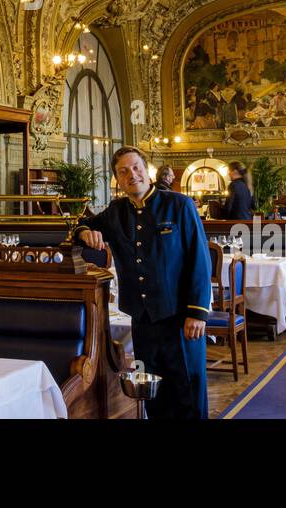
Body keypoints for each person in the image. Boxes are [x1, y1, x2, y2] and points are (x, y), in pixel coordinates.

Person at [73, 147, 212, 419]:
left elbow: (200, 259)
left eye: (135, 167)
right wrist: (86, 231)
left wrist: (197, 312)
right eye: (123, 172)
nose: (131, 175)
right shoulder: (116, 212)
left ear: (145, 170)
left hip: (180, 319)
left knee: (188, 393)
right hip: (142, 320)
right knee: (153, 392)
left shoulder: (179, 205)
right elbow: (80, 226)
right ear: (118, 179)